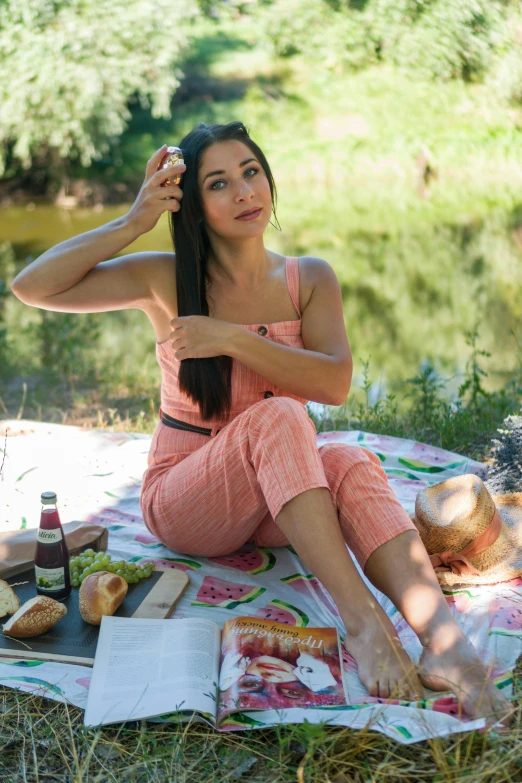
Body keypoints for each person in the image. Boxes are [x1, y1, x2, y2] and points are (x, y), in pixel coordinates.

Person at [10, 120, 511, 725]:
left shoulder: (310, 278)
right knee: (279, 417)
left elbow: (333, 383)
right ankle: (362, 622)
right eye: (219, 183)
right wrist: (132, 222)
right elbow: (30, 286)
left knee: (350, 459)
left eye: (251, 172)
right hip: (188, 497)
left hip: (280, 498)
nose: (244, 191)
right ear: (193, 204)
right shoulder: (166, 279)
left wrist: (229, 339)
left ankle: (447, 645)